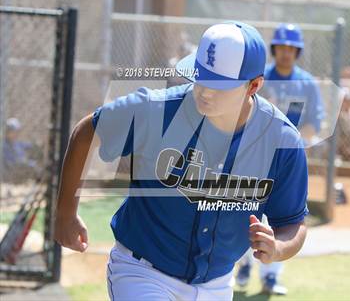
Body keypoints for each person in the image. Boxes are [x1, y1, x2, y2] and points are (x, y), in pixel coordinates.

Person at [54, 21, 309, 301]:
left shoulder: (281, 140)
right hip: (143, 272)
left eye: (219, 85)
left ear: (254, 86)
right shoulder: (157, 110)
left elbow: (292, 223)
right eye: (200, 78)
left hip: (217, 283)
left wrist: (279, 248)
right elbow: (88, 131)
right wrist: (66, 212)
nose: (205, 91)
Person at [236, 23, 324, 295]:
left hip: (286, 162)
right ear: (274, 49)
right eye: (281, 47)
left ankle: (271, 276)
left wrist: (292, 142)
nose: (286, 53)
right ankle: (242, 264)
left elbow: (314, 123)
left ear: (297, 52)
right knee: (242, 213)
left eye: (291, 48)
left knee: (282, 220)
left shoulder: (307, 84)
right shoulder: (261, 78)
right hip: (253, 156)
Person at [2, 118, 39, 183]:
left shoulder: (16, 143)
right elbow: (11, 162)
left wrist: (36, 144)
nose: (16, 134)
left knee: (34, 164)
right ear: (7, 132)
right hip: (12, 170)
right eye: (13, 131)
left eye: (17, 132)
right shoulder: (5, 145)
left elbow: (27, 145)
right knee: (33, 165)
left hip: (20, 166)